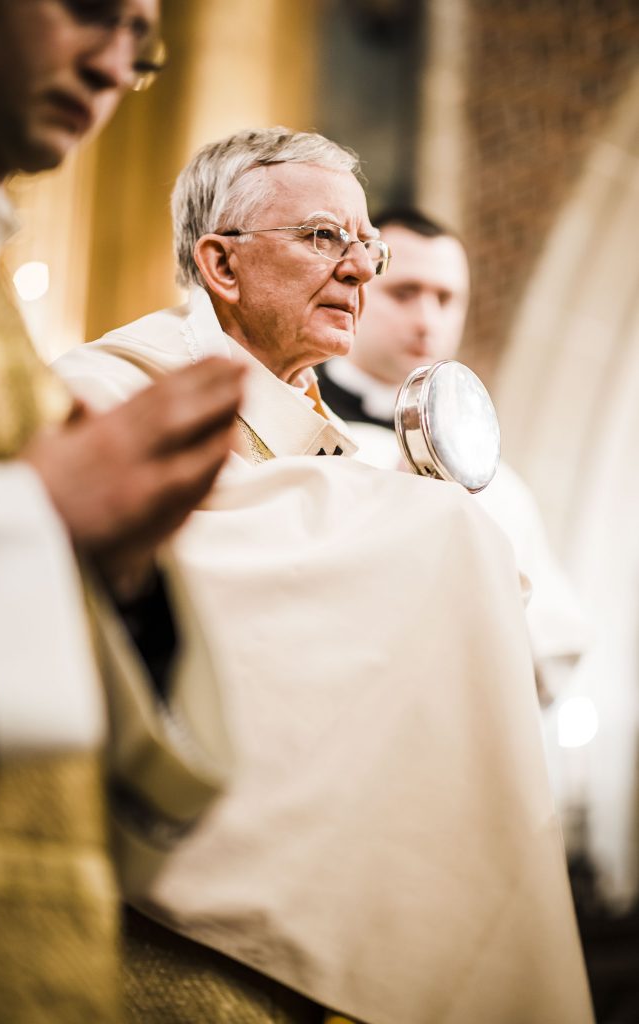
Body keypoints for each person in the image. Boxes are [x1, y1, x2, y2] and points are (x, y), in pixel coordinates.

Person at [56, 127, 594, 1024]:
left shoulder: (343, 447)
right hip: (152, 922)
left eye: (365, 246)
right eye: (322, 238)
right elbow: (134, 596)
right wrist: (408, 530)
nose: (358, 270)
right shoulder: (109, 390)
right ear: (220, 265)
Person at [0, 3, 245, 1021]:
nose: (113, 65)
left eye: (142, 46)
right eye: (88, 11)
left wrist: (117, 568)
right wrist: (37, 513)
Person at [317, 207, 589, 705]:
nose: (427, 321)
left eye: (446, 300)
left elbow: (552, 656)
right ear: (355, 288)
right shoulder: (297, 421)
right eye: (405, 293)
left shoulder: (498, 482)